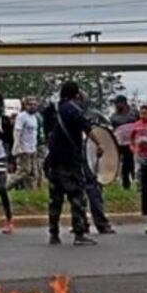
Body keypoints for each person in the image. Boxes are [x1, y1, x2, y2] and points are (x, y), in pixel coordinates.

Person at [43, 82, 96, 246]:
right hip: (70, 161)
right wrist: (100, 145)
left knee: (55, 199)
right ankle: (79, 233)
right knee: (76, 197)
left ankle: (53, 234)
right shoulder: (74, 110)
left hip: (53, 160)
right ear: (76, 94)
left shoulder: (52, 110)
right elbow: (88, 129)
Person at [12, 96, 43, 189]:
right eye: (30, 104)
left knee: (34, 173)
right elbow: (17, 132)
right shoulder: (22, 116)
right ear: (25, 105)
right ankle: (6, 186)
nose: (33, 106)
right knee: (24, 171)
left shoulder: (35, 117)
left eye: (34, 104)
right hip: (24, 148)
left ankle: (31, 192)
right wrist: (17, 147)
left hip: (32, 148)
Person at [110, 95, 139, 190]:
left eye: (118, 103)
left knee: (132, 162)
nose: (117, 105)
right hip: (121, 143)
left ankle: (135, 178)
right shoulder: (114, 117)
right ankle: (126, 182)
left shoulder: (134, 113)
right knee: (125, 163)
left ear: (124, 103)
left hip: (134, 142)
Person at [129, 105, 147, 176]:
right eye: (141, 113)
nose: (143, 115)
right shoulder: (136, 124)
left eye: (145, 113)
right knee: (139, 172)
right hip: (139, 153)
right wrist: (132, 146)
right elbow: (131, 137)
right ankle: (140, 186)